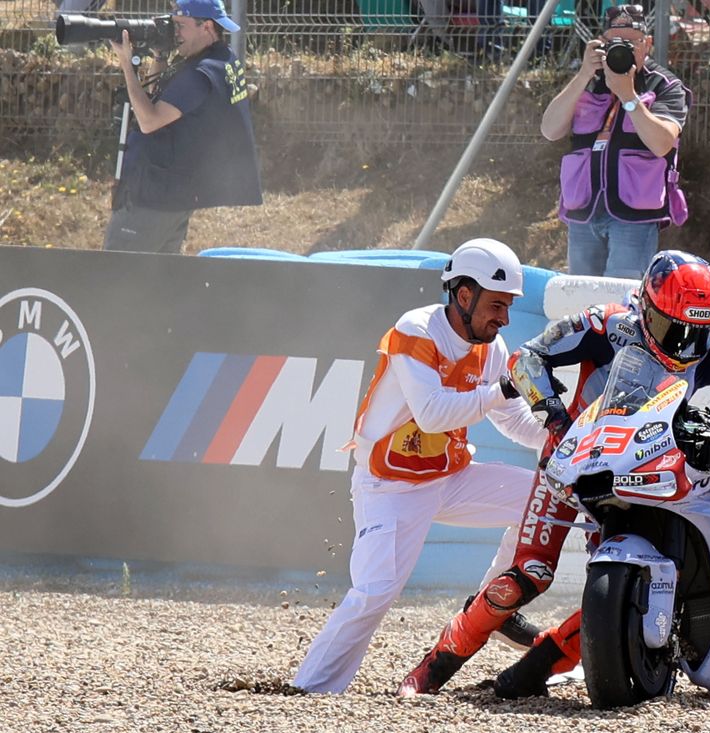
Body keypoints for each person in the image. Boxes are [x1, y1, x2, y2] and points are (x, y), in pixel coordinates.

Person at [398, 249, 710, 699]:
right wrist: (553, 416)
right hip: (569, 464)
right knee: (526, 575)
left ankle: (534, 668)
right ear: (646, 307)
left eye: (697, 334)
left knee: (628, 588)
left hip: (648, 469)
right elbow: (526, 359)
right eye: (672, 329)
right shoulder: (605, 322)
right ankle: (432, 669)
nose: (684, 345)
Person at [292, 238, 552, 694]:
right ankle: (308, 691)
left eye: (508, 307)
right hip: (389, 487)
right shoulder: (416, 329)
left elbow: (512, 420)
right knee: (374, 593)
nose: (504, 318)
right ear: (464, 295)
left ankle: (492, 605)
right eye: (496, 305)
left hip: (451, 477)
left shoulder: (490, 347)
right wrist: (501, 391)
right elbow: (433, 413)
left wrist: (563, 443)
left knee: (545, 501)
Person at [540, 3, 691, 279]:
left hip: (633, 216)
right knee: (581, 300)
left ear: (647, 44)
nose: (622, 48)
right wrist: (584, 73)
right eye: (613, 42)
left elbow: (662, 143)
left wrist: (628, 96)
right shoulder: (589, 80)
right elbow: (549, 129)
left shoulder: (665, 86)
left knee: (622, 299)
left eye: (631, 42)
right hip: (584, 211)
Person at [105, 0, 262, 253]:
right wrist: (159, 55)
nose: (173, 33)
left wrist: (126, 64)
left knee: (117, 278)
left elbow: (149, 120)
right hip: (175, 196)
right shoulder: (221, 59)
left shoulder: (200, 74)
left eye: (180, 26)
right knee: (160, 283)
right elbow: (158, 94)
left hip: (153, 200)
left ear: (207, 27)